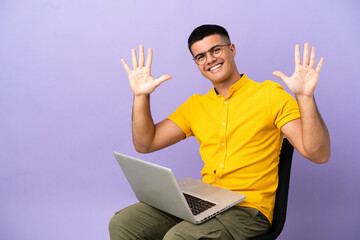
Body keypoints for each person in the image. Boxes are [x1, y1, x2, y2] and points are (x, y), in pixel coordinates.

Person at [109, 24, 331, 240]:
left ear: (231, 49)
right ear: (197, 63)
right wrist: (141, 96)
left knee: (179, 237)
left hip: (247, 209)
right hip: (204, 200)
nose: (210, 60)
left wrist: (305, 98)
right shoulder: (196, 106)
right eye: (201, 56)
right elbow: (145, 144)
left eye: (216, 50)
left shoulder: (270, 95)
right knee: (124, 223)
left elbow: (318, 154)